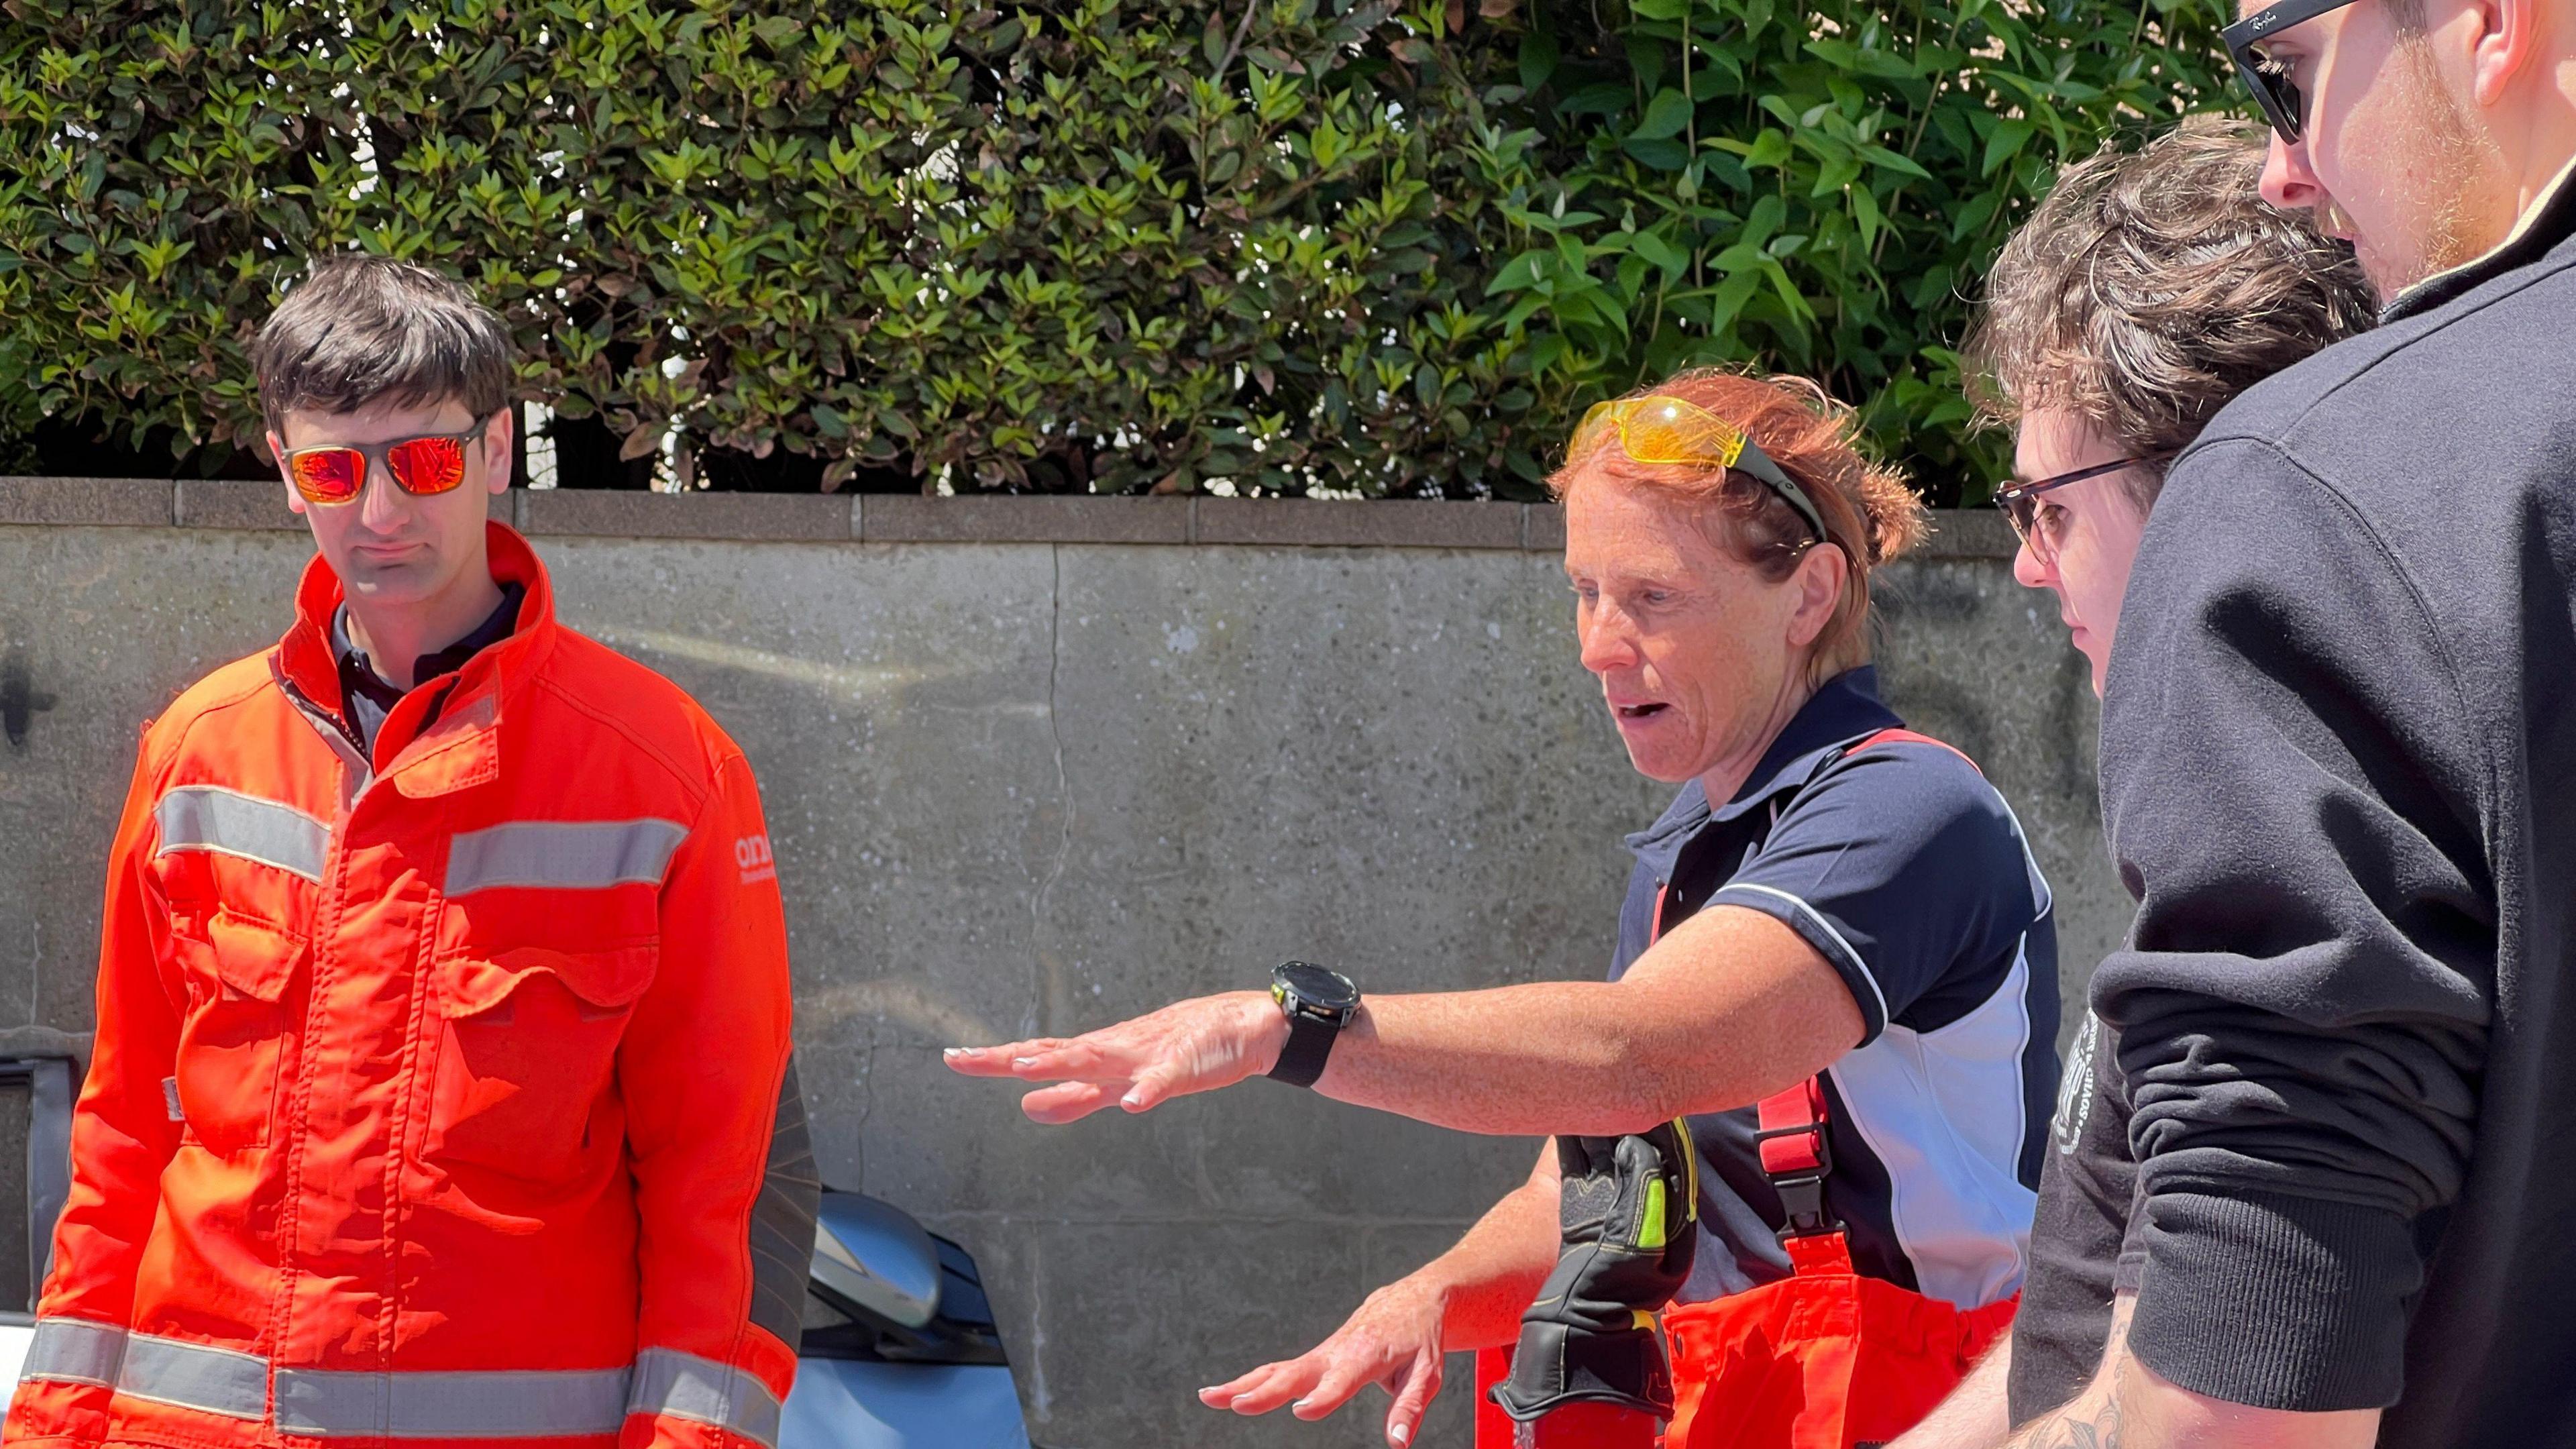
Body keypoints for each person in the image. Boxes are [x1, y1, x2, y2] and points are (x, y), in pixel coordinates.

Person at [951, 370, 2061, 1449]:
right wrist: (1428, 1297)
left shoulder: (1911, 809)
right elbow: (1582, 1171)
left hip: (1937, 1403)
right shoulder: (1696, 846)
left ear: (1810, 595)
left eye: (1653, 599)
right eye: (1585, 592)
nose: (1596, 646)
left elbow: (1638, 1056)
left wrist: (1289, 1028)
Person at [4, 258, 816, 1449]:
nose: (380, 514)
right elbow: (126, 1129)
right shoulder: (198, 750)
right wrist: (53, 1431)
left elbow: (727, 1183)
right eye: (334, 468)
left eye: (424, 462)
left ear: (497, 452)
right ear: (286, 475)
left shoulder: (667, 773)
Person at [1979, 0, 2576, 1438]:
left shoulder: (2319, 491)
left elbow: (2233, 1407)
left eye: (2284, 71)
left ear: (2495, 20)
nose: (2281, 172)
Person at [1877, 117, 2375, 1449]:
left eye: (2048, 507)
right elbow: (2091, 1322)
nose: (2028, 566)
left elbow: (2212, 1415)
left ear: (2218, 487)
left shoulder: (2296, 833)